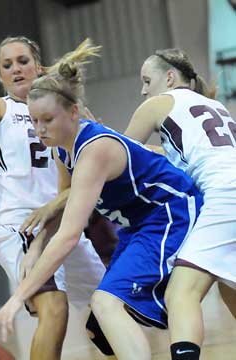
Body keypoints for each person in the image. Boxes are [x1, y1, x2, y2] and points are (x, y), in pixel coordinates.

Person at [0, 44, 203, 360]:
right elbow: (63, 203)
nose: (40, 129)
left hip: (170, 212)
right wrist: (36, 245)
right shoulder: (61, 147)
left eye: (48, 119)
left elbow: (70, 234)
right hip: (138, 225)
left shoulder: (93, 150)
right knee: (99, 324)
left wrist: (17, 297)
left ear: (74, 113)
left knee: (105, 303)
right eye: (34, 121)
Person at [0, 36, 106, 360]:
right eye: (7, 65)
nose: (16, 69)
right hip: (20, 224)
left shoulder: (67, 111)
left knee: (110, 307)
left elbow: (100, 154)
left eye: (22, 61)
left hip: (63, 222)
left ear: (39, 66)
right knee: (54, 307)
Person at [124, 48, 236, 360]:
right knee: (230, 289)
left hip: (225, 195)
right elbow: (181, 158)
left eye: (147, 80)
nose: (144, 89)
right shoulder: (216, 106)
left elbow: (121, 157)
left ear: (170, 78)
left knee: (180, 293)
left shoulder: (158, 103)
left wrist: (93, 133)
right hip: (229, 190)